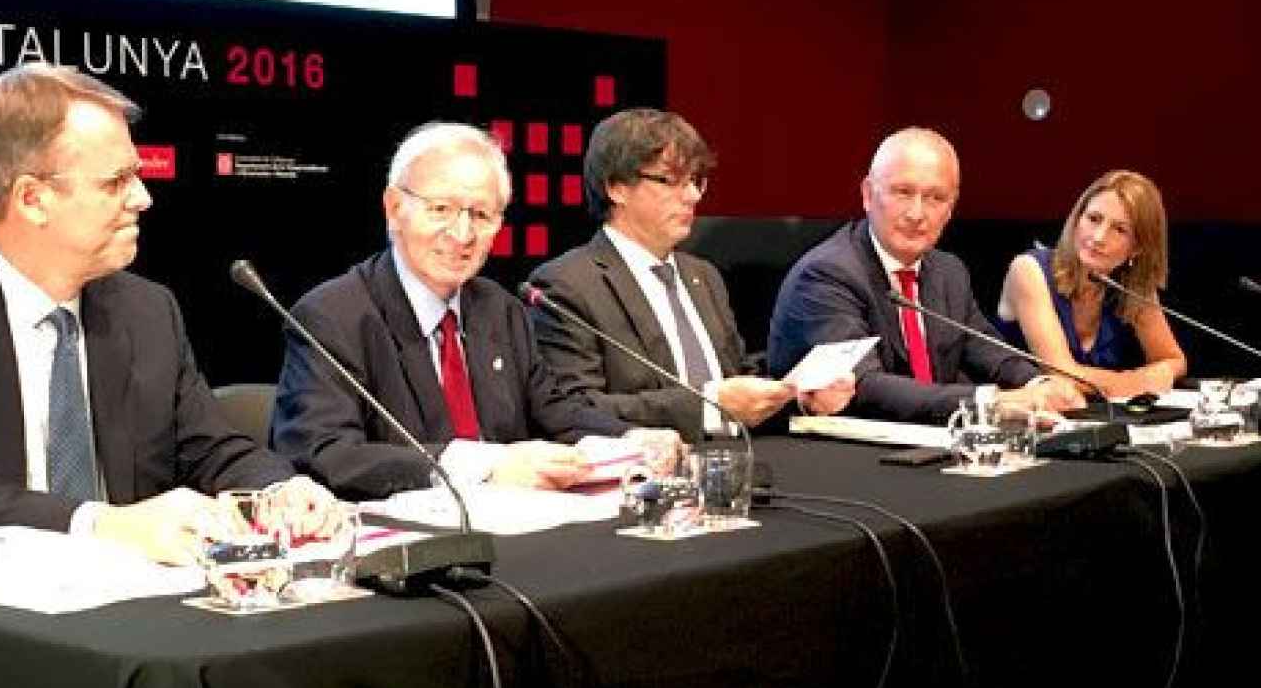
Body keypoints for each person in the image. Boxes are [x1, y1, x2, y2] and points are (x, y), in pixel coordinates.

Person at [0, 63, 339, 562]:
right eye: (115, 182)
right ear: (32, 199)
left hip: (133, 617)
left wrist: (280, 489)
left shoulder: (147, 310)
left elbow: (209, 448)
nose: (143, 198)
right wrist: (97, 524)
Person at [270, 122, 641, 500]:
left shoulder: (501, 309)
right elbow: (323, 452)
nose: (462, 234)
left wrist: (629, 438)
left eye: (481, 215)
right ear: (395, 208)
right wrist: (486, 467)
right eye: (441, 209)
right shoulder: (333, 316)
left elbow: (555, 410)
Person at [529, 108, 853, 441]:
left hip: (735, 463)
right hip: (643, 477)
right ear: (617, 188)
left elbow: (736, 379)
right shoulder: (565, 286)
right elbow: (576, 411)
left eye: (696, 181)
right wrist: (710, 406)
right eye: (671, 181)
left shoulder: (703, 275)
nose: (692, 196)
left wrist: (797, 395)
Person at [767, 127, 1085, 423]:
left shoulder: (947, 271)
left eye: (935, 198)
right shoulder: (828, 274)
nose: (917, 214)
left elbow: (986, 350)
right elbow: (864, 387)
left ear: (950, 209)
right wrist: (994, 402)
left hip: (926, 447)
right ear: (867, 194)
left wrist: (1039, 383)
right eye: (903, 192)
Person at [994, 170, 1186, 398]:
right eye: (1093, 219)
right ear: (1076, 219)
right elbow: (1062, 376)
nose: (1098, 237)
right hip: (1021, 418)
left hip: (1095, 421)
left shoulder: (1129, 286)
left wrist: (1156, 374)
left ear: (1138, 247)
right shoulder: (1028, 270)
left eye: (1120, 229)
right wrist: (1140, 381)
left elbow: (1174, 361)